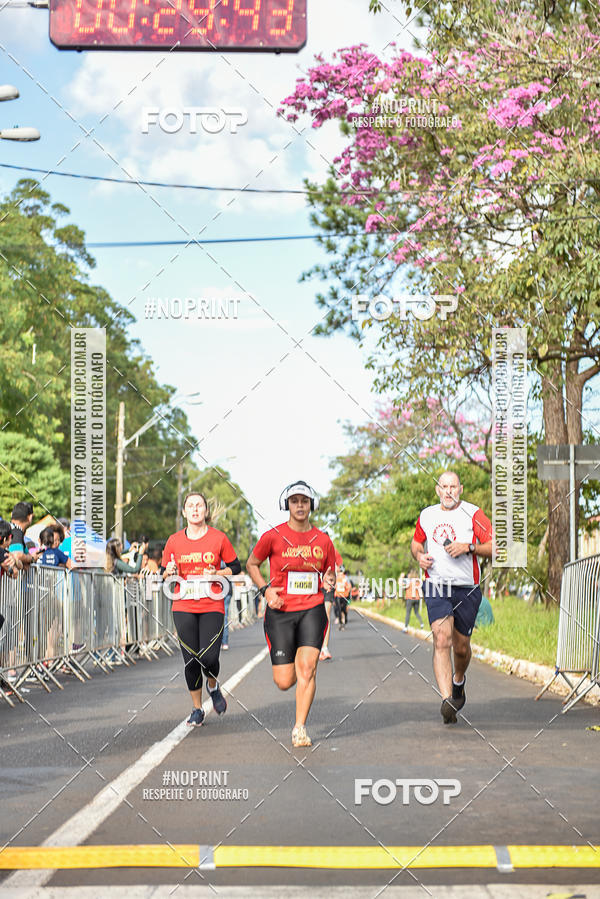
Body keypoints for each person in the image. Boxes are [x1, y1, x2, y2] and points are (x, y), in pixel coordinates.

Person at [247, 480, 335, 748]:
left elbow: (330, 572)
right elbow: (252, 563)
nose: (300, 506)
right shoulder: (273, 535)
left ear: (311, 506)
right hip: (281, 611)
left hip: (312, 608)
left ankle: (299, 728)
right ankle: (293, 663)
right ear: (287, 504)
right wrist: (266, 591)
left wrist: (330, 579)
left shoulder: (323, 539)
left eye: (304, 501)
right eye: (295, 501)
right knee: (284, 681)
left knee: (308, 669)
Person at [411, 470, 493, 724]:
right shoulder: (427, 514)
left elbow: (495, 547)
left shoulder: (474, 513)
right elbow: (416, 543)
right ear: (437, 490)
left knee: (461, 647)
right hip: (436, 585)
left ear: (460, 488)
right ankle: (448, 700)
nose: (448, 491)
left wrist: (469, 547)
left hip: (466, 588)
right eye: (444, 486)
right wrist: (419, 556)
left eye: (453, 486)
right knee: (442, 638)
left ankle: (458, 682)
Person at [162, 492, 242, 727]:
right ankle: (197, 709)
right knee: (191, 660)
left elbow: (235, 567)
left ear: (206, 511)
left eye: (199, 505)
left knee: (209, 657)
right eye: (190, 505)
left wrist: (217, 573)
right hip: (183, 604)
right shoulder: (174, 541)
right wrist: (170, 571)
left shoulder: (219, 538)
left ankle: (213, 685)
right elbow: (164, 573)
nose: (195, 509)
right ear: (184, 512)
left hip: (212, 604)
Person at [319, 547, 342, 661]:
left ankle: (325, 648)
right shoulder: (313, 549)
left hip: (328, 587)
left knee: (326, 614)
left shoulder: (334, 551)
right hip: (316, 586)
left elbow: (340, 566)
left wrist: (333, 576)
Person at [334, 566, 351, 630]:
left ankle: (345, 618)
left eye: (341, 571)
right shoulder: (336, 577)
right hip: (338, 595)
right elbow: (334, 586)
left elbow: (349, 586)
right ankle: (341, 623)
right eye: (339, 571)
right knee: (339, 609)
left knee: (344, 609)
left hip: (344, 595)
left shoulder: (345, 578)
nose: (340, 573)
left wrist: (346, 588)